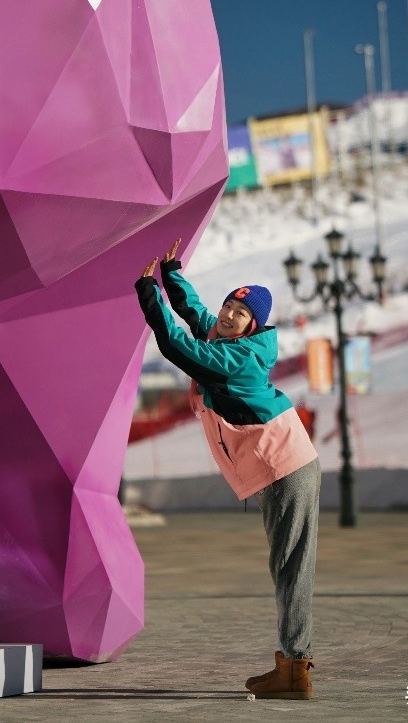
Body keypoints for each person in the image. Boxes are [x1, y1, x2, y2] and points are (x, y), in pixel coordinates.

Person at [135, 239, 321, 700]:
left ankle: (296, 669)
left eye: (240, 315)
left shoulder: (238, 359)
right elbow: (196, 316)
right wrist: (172, 273)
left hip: (286, 466)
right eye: (227, 308)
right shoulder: (226, 338)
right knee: (285, 565)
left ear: (253, 325)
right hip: (279, 465)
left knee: (290, 567)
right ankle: (291, 664)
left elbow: (180, 346)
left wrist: (146, 292)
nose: (227, 316)